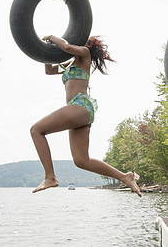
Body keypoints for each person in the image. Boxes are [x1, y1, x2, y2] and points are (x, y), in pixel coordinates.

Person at [30, 35, 141, 197]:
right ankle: (125, 176)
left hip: (80, 106)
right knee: (81, 161)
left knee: (36, 130)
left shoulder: (84, 55)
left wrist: (52, 37)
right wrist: (45, 50)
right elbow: (49, 70)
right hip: (78, 112)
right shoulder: (70, 64)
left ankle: (50, 176)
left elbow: (67, 47)